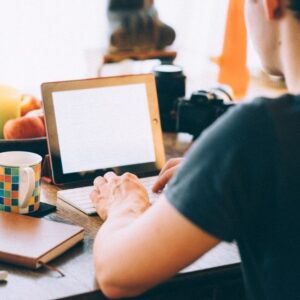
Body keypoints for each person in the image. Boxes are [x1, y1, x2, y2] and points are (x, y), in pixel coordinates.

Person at [90, 0, 300, 299]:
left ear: (270, 4)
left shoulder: (260, 130)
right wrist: (209, 170)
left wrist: (125, 205)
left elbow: (115, 274)